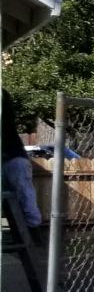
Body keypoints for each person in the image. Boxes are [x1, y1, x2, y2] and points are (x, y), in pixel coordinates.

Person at [1, 89, 42, 229]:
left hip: (12, 158)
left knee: (24, 197)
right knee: (23, 196)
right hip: (11, 158)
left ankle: (32, 229)